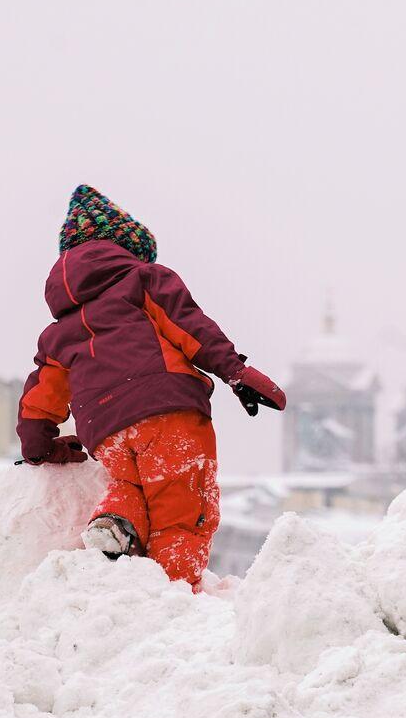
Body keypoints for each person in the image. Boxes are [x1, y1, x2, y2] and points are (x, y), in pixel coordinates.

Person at [17, 184, 285, 590]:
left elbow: (39, 400)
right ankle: (175, 595)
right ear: (127, 249)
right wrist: (235, 371)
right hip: (166, 412)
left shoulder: (58, 332)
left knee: (132, 487)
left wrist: (40, 447)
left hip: (105, 430)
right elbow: (191, 330)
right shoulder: (144, 281)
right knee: (183, 509)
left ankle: (114, 525)